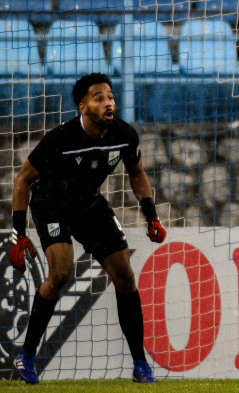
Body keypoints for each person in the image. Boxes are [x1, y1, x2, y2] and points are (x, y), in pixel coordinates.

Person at [7, 73, 166, 384]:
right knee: (61, 272)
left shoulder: (124, 134)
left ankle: (140, 364)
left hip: (89, 205)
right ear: (83, 107)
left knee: (124, 274)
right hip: (51, 204)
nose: (108, 102)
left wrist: (152, 215)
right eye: (99, 98)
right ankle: (26, 355)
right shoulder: (59, 140)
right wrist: (19, 233)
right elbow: (23, 180)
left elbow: (137, 172)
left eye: (110, 96)